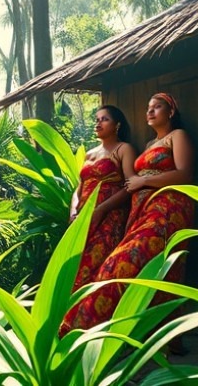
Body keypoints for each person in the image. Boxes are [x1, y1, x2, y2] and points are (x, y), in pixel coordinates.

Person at [60, 92, 194, 337]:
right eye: (148, 107)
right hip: (140, 211)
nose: (150, 111)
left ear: (171, 111)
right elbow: (125, 181)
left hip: (167, 208)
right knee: (150, 270)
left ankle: (86, 325)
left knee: (121, 264)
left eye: (157, 107)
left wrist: (143, 181)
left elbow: (185, 174)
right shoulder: (148, 146)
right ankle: (141, 331)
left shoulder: (177, 136)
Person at [68, 105, 137, 293]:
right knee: (73, 266)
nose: (98, 123)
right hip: (83, 218)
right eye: (97, 119)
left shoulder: (124, 149)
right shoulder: (89, 154)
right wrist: (74, 210)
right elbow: (79, 188)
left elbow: (130, 185)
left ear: (117, 125)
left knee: (96, 266)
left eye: (104, 119)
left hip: (109, 216)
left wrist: (101, 209)